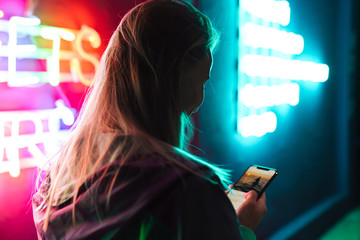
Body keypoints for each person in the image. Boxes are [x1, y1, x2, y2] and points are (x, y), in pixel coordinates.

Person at [32, 0, 267, 239]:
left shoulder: (54, 181)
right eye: (203, 81)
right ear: (178, 70)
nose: (203, 97)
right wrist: (238, 228)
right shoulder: (187, 188)